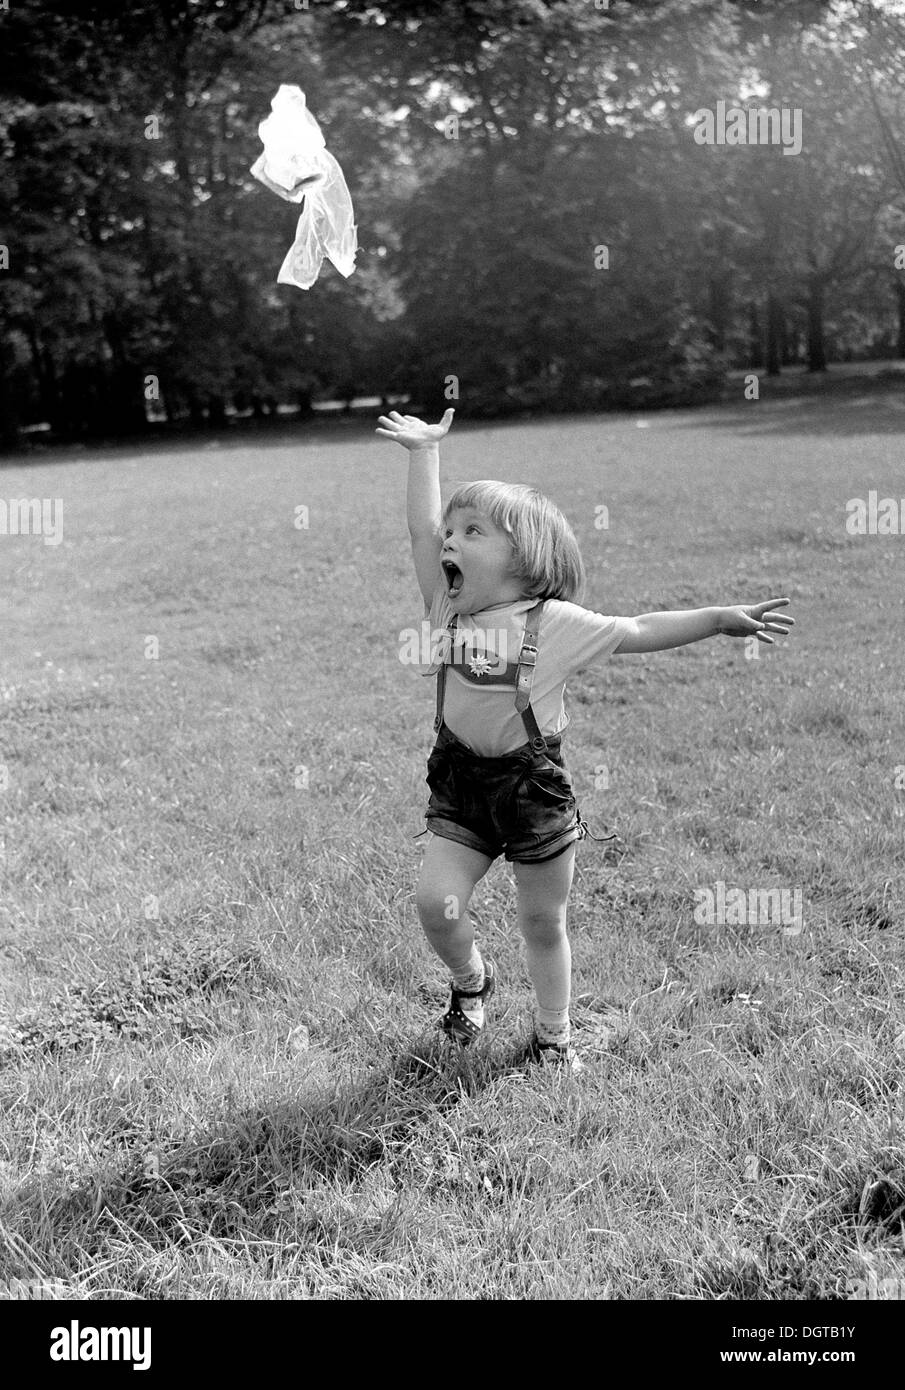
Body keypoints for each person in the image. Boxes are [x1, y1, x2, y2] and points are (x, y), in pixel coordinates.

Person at [377, 407, 795, 1073]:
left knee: (543, 922)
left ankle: (552, 1036)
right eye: (451, 531)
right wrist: (424, 452)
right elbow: (419, 533)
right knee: (435, 904)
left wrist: (717, 619)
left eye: (471, 531)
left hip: (529, 789)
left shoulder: (555, 623)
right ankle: (470, 981)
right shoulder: (445, 607)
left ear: (524, 557)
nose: (449, 541)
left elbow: (635, 629)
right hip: (458, 782)